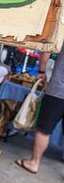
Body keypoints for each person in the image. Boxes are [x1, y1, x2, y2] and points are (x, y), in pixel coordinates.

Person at [15, 46, 64, 174]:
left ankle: (33, 163)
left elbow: (47, 49)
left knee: (44, 130)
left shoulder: (61, 27)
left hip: (58, 90)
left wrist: (42, 71)